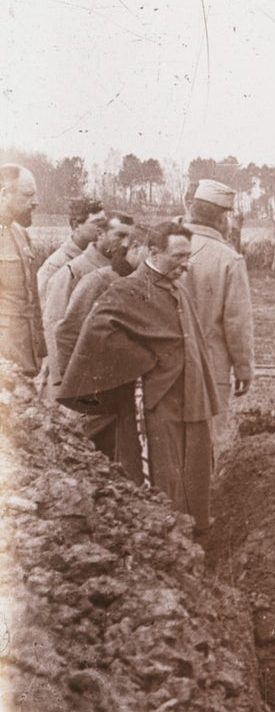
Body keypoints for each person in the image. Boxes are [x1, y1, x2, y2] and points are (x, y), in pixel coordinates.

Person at [59, 221, 221, 529]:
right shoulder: (127, 289)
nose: (185, 264)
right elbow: (98, 333)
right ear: (154, 252)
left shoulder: (178, 289)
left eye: (188, 256)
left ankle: (197, 534)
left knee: (195, 470)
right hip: (160, 401)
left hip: (191, 398)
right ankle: (169, 537)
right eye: (178, 256)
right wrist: (146, 361)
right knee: (167, 475)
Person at [53, 220, 150, 480]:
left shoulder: (136, 283)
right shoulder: (98, 280)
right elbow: (66, 333)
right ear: (137, 248)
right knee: (82, 457)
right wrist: (78, 385)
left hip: (119, 392)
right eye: (151, 254)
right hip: (92, 395)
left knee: (124, 460)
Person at [179, 178, 254, 453]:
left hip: (167, 368)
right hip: (212, 367)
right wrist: (244, 367)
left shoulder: (165, 248)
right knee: (208, 442)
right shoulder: (229, 259)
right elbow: (236, 323)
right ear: (222, 218)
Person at [41, 212, 133, 391]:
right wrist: (62, 383)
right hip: (76, 381)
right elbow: (55, 329)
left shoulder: (121, 270)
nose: (125, 244)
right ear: (100, 234)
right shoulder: (72, 271)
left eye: (130, 237)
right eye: (119, 235)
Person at [0, 164, 45, 378]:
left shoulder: (21, 234)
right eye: (28, 195)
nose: (35, 202)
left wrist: (40, 349)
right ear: (3, 193)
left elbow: (32, 299)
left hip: (26, 356)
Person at [36, 196, 105, 303]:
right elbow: (46, 313)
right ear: (76, 225)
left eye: (105, 223)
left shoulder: (104, 259)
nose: (103, 228)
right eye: (97, 223)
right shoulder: (54, 267)